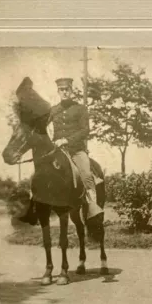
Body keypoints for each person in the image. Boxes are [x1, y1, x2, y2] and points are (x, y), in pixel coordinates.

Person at [50, 77, 103, 220]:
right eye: (61, 90)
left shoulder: (80, 109)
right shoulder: (53, 110)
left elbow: (85, 130)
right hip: (57, 151)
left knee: (86, 174)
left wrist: (67, 140)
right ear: (58, 91)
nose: (64, 92)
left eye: (67, 89)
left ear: (71, 90)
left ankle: (93, 206)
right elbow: (43, 127)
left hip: (76, 150)